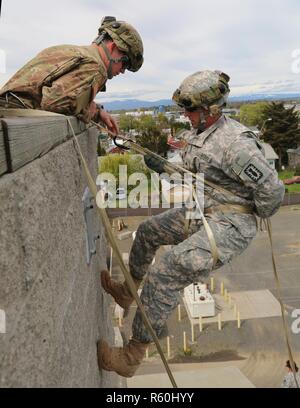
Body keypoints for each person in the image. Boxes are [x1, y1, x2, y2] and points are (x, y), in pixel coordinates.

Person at [98, 70, 285, 377]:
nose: (184, 114)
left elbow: (273, 193)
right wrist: (159, 163)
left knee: (166, 272)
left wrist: (249, 210)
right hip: (205, 210)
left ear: (209, 110)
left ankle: (132, 356)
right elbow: (190, 169)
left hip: (231, 223)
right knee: (147, 231)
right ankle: (127, 292)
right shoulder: (200, 136)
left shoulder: (235, 144)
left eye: (189, 109)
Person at [0, 16, 143, 133]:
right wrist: (89, 111)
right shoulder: (95, 68)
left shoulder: (73, 51)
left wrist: (98, 111)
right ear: (113, 48)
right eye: (125, 63)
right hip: (11, 119)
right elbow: (54, 104)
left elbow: (62, 96)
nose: (123, 70)